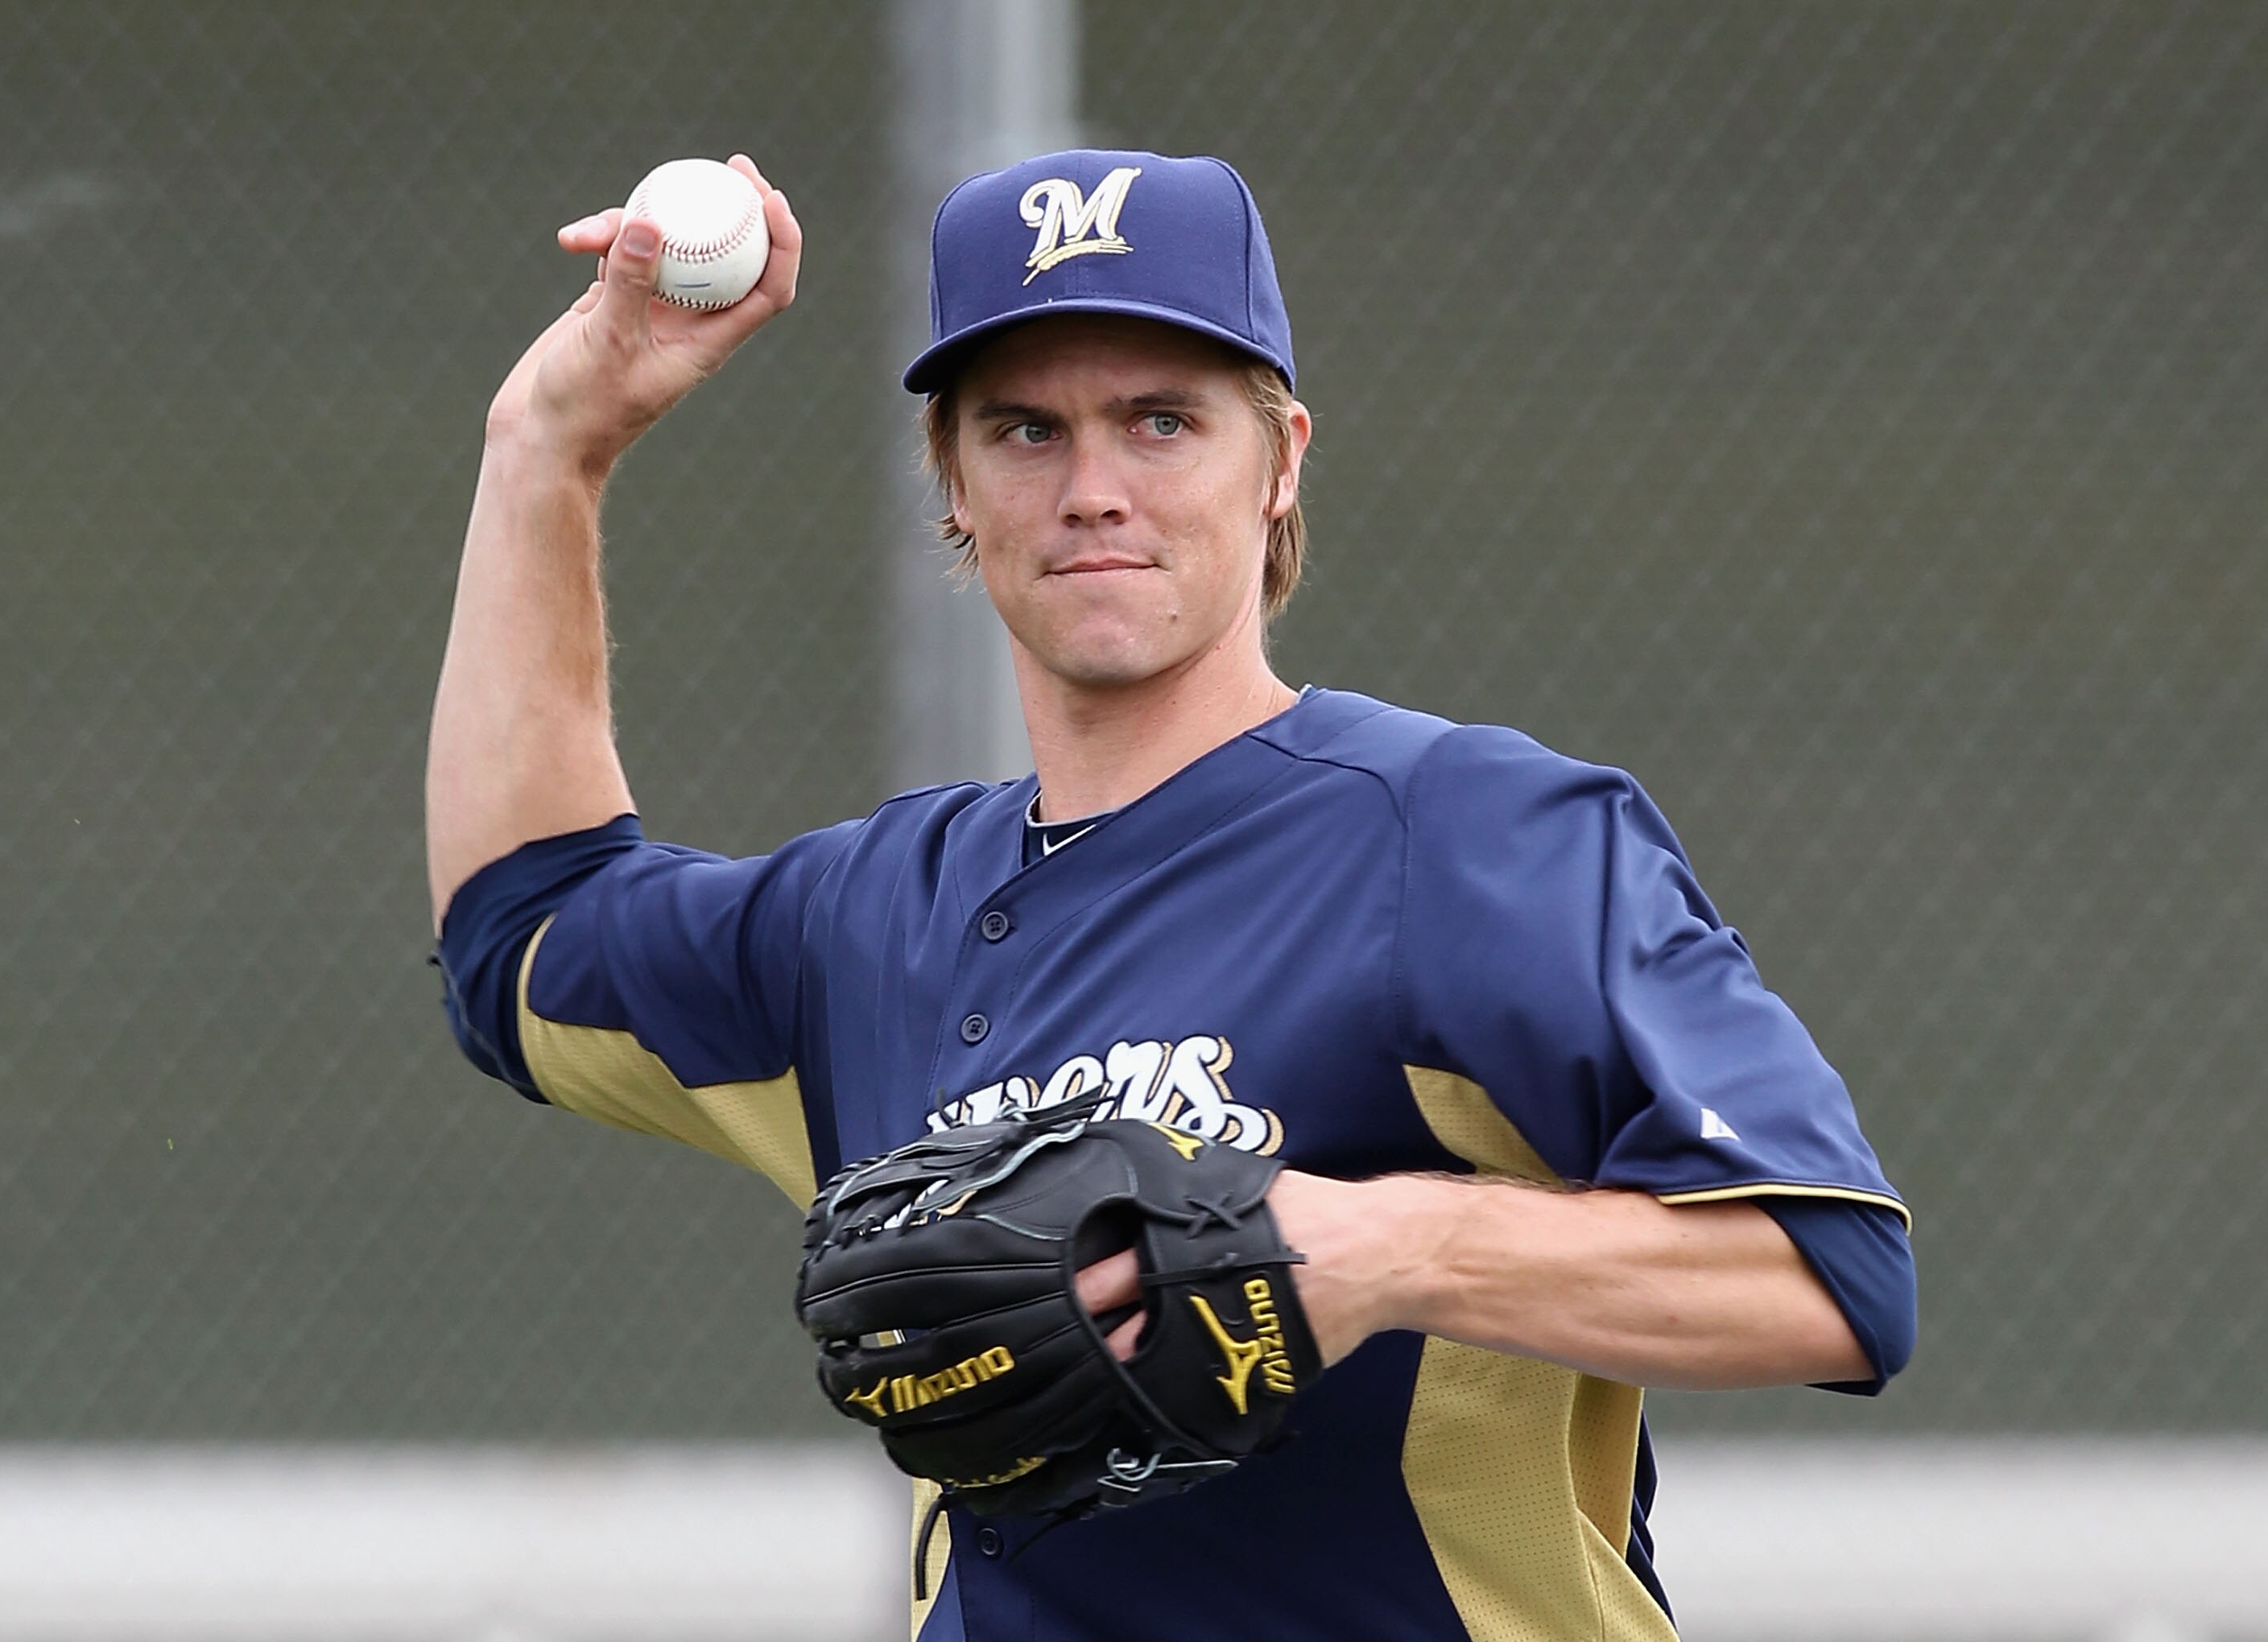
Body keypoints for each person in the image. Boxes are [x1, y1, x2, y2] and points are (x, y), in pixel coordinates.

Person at [431, 148, 1915, 1642]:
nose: (1093, 490)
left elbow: (1831, 1272)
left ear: (1277, 461)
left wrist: (1390, 1252)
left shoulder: (1465, 836)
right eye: (1025, 429)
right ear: (952, 482)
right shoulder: (867, 919)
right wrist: (549, 442)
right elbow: (517, 938)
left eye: (1161, 422)